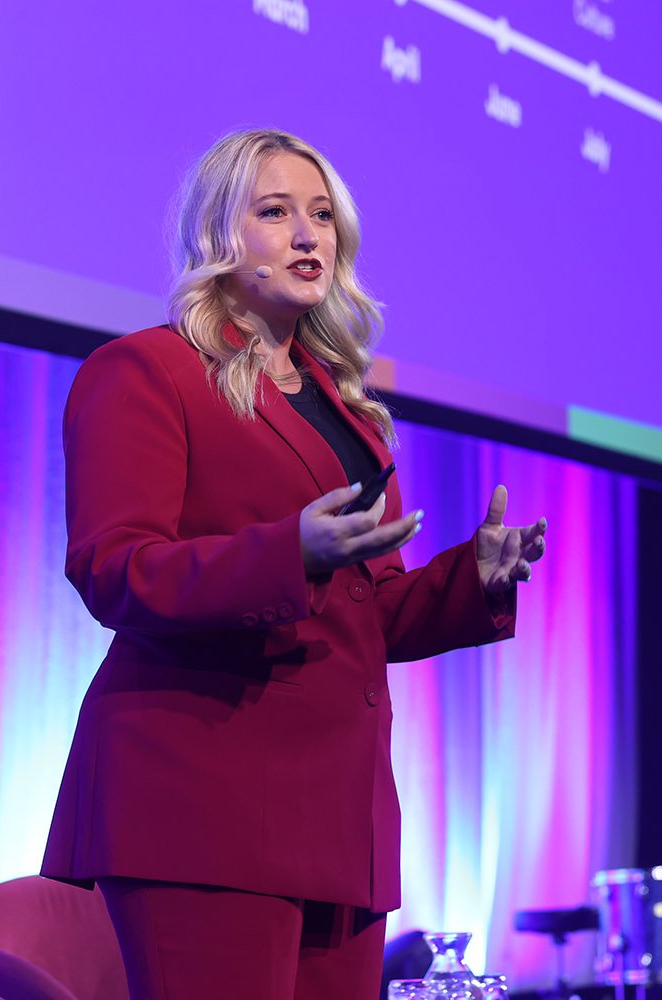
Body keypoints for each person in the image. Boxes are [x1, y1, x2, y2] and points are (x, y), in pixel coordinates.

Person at [40, 128, 547, 1000]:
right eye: (275, 213)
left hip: (338, 825)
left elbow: (368, 611)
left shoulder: (350, 411)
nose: (309, 235)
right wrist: (287, 555)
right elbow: (116, 570)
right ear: (218, 236)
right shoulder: (144, 372)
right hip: (203, 805)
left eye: (321, 216)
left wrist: (474, 579)